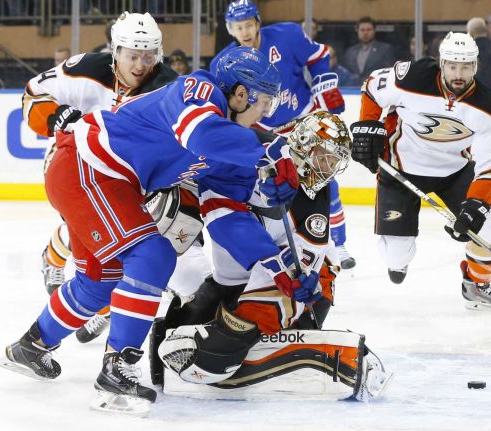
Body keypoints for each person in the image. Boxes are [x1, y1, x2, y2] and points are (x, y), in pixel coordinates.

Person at [0, 46, 303, 415]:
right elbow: (202, 134)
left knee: (100, 279)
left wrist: (273, 261)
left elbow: (225, 214)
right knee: (152, 254)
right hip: (88, 164)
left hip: (106, 179)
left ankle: (31, 346)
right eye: (264, 103)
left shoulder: (234, 145)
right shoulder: (196, 90)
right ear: (240, 94)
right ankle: (115, 374)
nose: (265, 114)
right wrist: (267, 154)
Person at [153, 112, 391, 401]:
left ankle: (264, 334)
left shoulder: (318, 194)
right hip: (232, 275)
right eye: (322, 156)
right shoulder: (254, 153)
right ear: (302, 144)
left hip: (286, 276)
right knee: (184, 316)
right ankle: (237, 332)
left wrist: (301, 281)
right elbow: (212, 157)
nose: (326, 168)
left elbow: (305, 258)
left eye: (333, 161)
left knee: (270, 310)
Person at [23, 12, 187, 343]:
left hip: (124, 179)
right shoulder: (86, 68)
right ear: (116, 52)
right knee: (99, 228)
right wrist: (54, 116)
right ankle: (68, 273)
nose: (141, 65)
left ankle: (81, 307)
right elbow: (33, 93)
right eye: (132, 56)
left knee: (114, 242)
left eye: (148, 55)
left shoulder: (167, 86)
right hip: (73, 165)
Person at [349, 32, 491, 310]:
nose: (458, 74)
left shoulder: (490, 109)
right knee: (396, 259)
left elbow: (490, 166)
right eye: (452, 66)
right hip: (400, 167)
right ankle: (399, 259)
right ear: (442, 63)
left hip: (455, 171)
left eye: (465, 67)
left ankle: (476, 285)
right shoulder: (413, 77)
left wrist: (475, 206)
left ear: (475, 66)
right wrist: (367, 126)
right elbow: (372, 86)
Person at [211, 0, 355, 269]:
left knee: (324, 183)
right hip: (265, 134)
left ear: (258, 23)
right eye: (238, 27)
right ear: (230, 29)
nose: (245, 32)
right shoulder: (225, 62)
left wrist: (324, 85)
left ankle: (339, 244)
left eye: (248, 25)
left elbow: (318, 56)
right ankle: (292, 245)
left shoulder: (286, 35)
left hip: (304, 122)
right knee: (277, 192)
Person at [343, 16, 396, 84]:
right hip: (353, 91)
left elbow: (389, 73)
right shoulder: (350, 51)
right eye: (362, 30)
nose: (365, 33)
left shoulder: (385, 49)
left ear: (374, 31)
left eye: (368, 29)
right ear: (357, 31)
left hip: (375, 90)